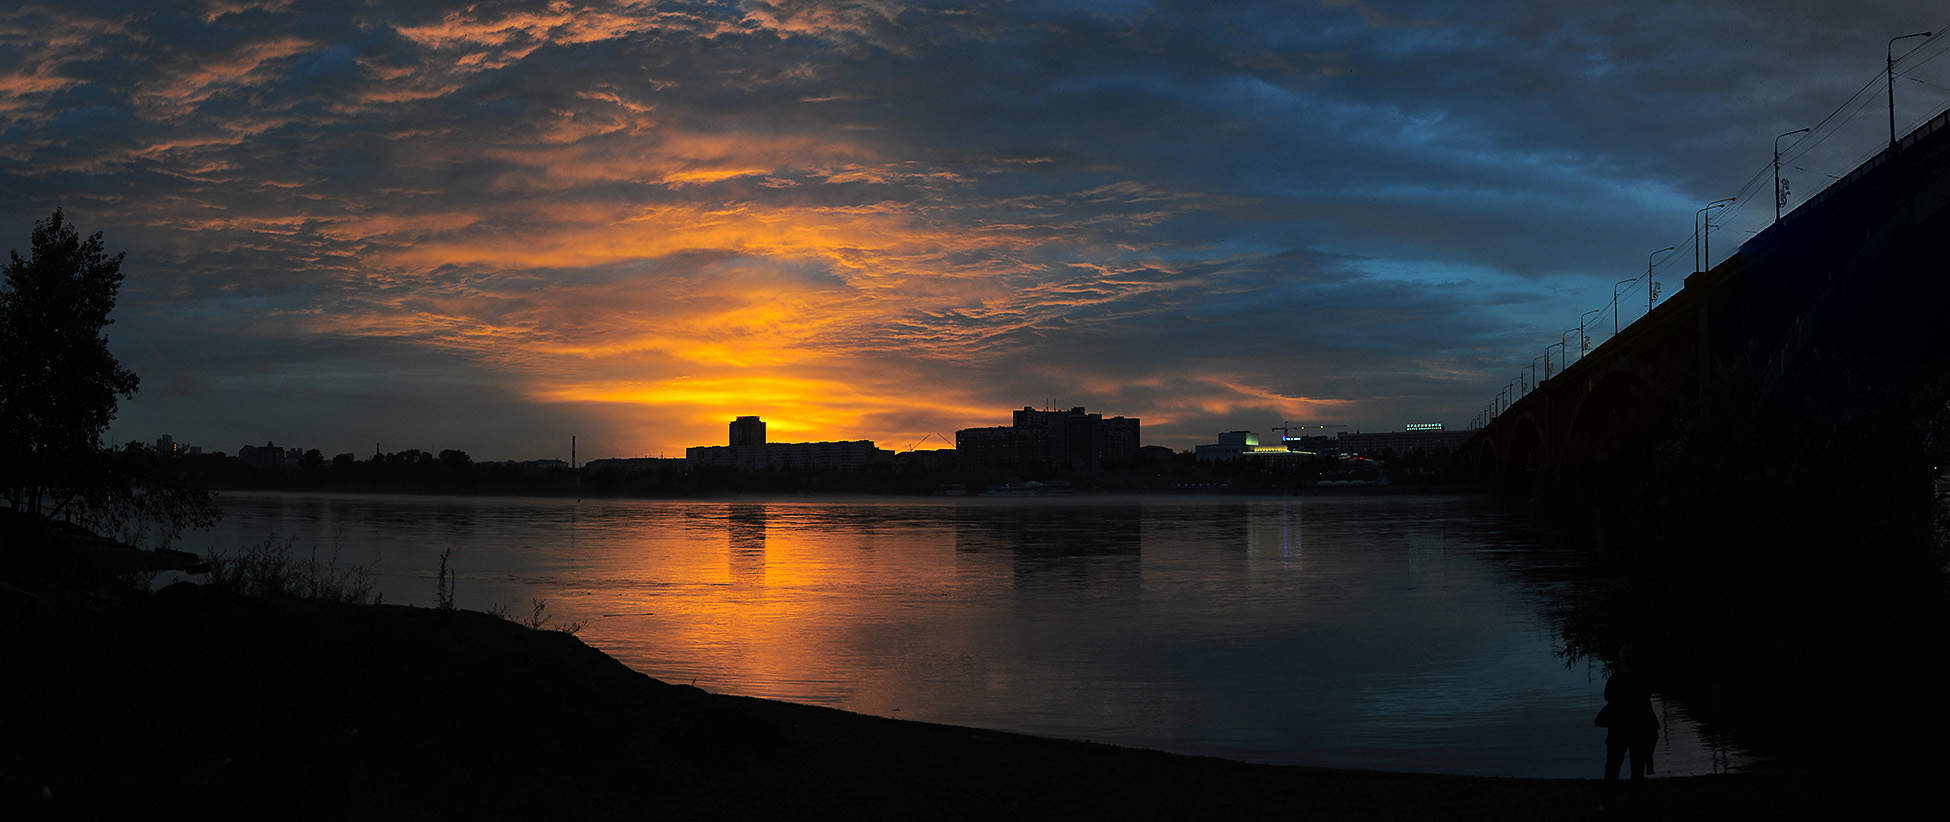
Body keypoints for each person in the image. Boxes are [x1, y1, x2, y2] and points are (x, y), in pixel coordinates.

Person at [1598, 643, 1659, 783]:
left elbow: (1608, 696)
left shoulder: (1615, 680)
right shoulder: (1644, 679)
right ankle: (1635, 797)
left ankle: (1611, 796)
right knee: (1637, 764)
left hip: (1619, 725)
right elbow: (1649, 693)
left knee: (1613, 763)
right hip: (1640, 725)